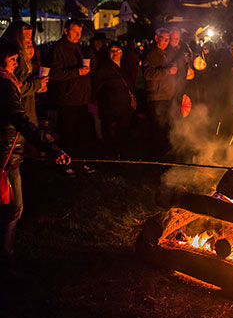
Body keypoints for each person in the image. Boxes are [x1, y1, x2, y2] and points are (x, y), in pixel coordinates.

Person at [0, 39, 70, 274]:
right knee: (13, 209)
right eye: (12, 59)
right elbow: (20, 121)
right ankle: (6, 257)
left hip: (7, 152)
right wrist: (51, 148)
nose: (16, 62)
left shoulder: (9, 81)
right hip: (5, 156)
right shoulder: (4, 84)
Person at [48, 19, 93, 160]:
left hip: (81, 99)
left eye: (79, 32)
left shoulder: (77, 47)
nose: (77, 35)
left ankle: (79, 161)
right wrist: (77, 72)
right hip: (68, 100)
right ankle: (66, 163)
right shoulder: (59, 48)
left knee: (81, 133)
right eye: (74, 32)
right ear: (66, 30)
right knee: (68, 134)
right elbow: (55, 74)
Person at [92, 41, 136, 158]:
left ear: (121, 53)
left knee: (122, 134)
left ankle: (120, 156)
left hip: (124, 109)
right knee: (110, 135)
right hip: (109, 110)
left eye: (117, 51)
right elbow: (96, 88)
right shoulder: (103, 69)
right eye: (112, 51)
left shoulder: (125, 68)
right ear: (108, 53)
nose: (115, 53)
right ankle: (111, 159)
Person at [143, 28, 177, 158]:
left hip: (165, 94)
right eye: (164, 39)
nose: (167, 42)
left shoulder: (165, 53)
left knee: (164, 125)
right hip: (156, 96)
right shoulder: (151, 54)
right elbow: (148, 74)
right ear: (157, 38)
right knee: (157, 126)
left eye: (168, 39)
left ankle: (164, 150)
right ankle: (156, 153)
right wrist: (168, 71)